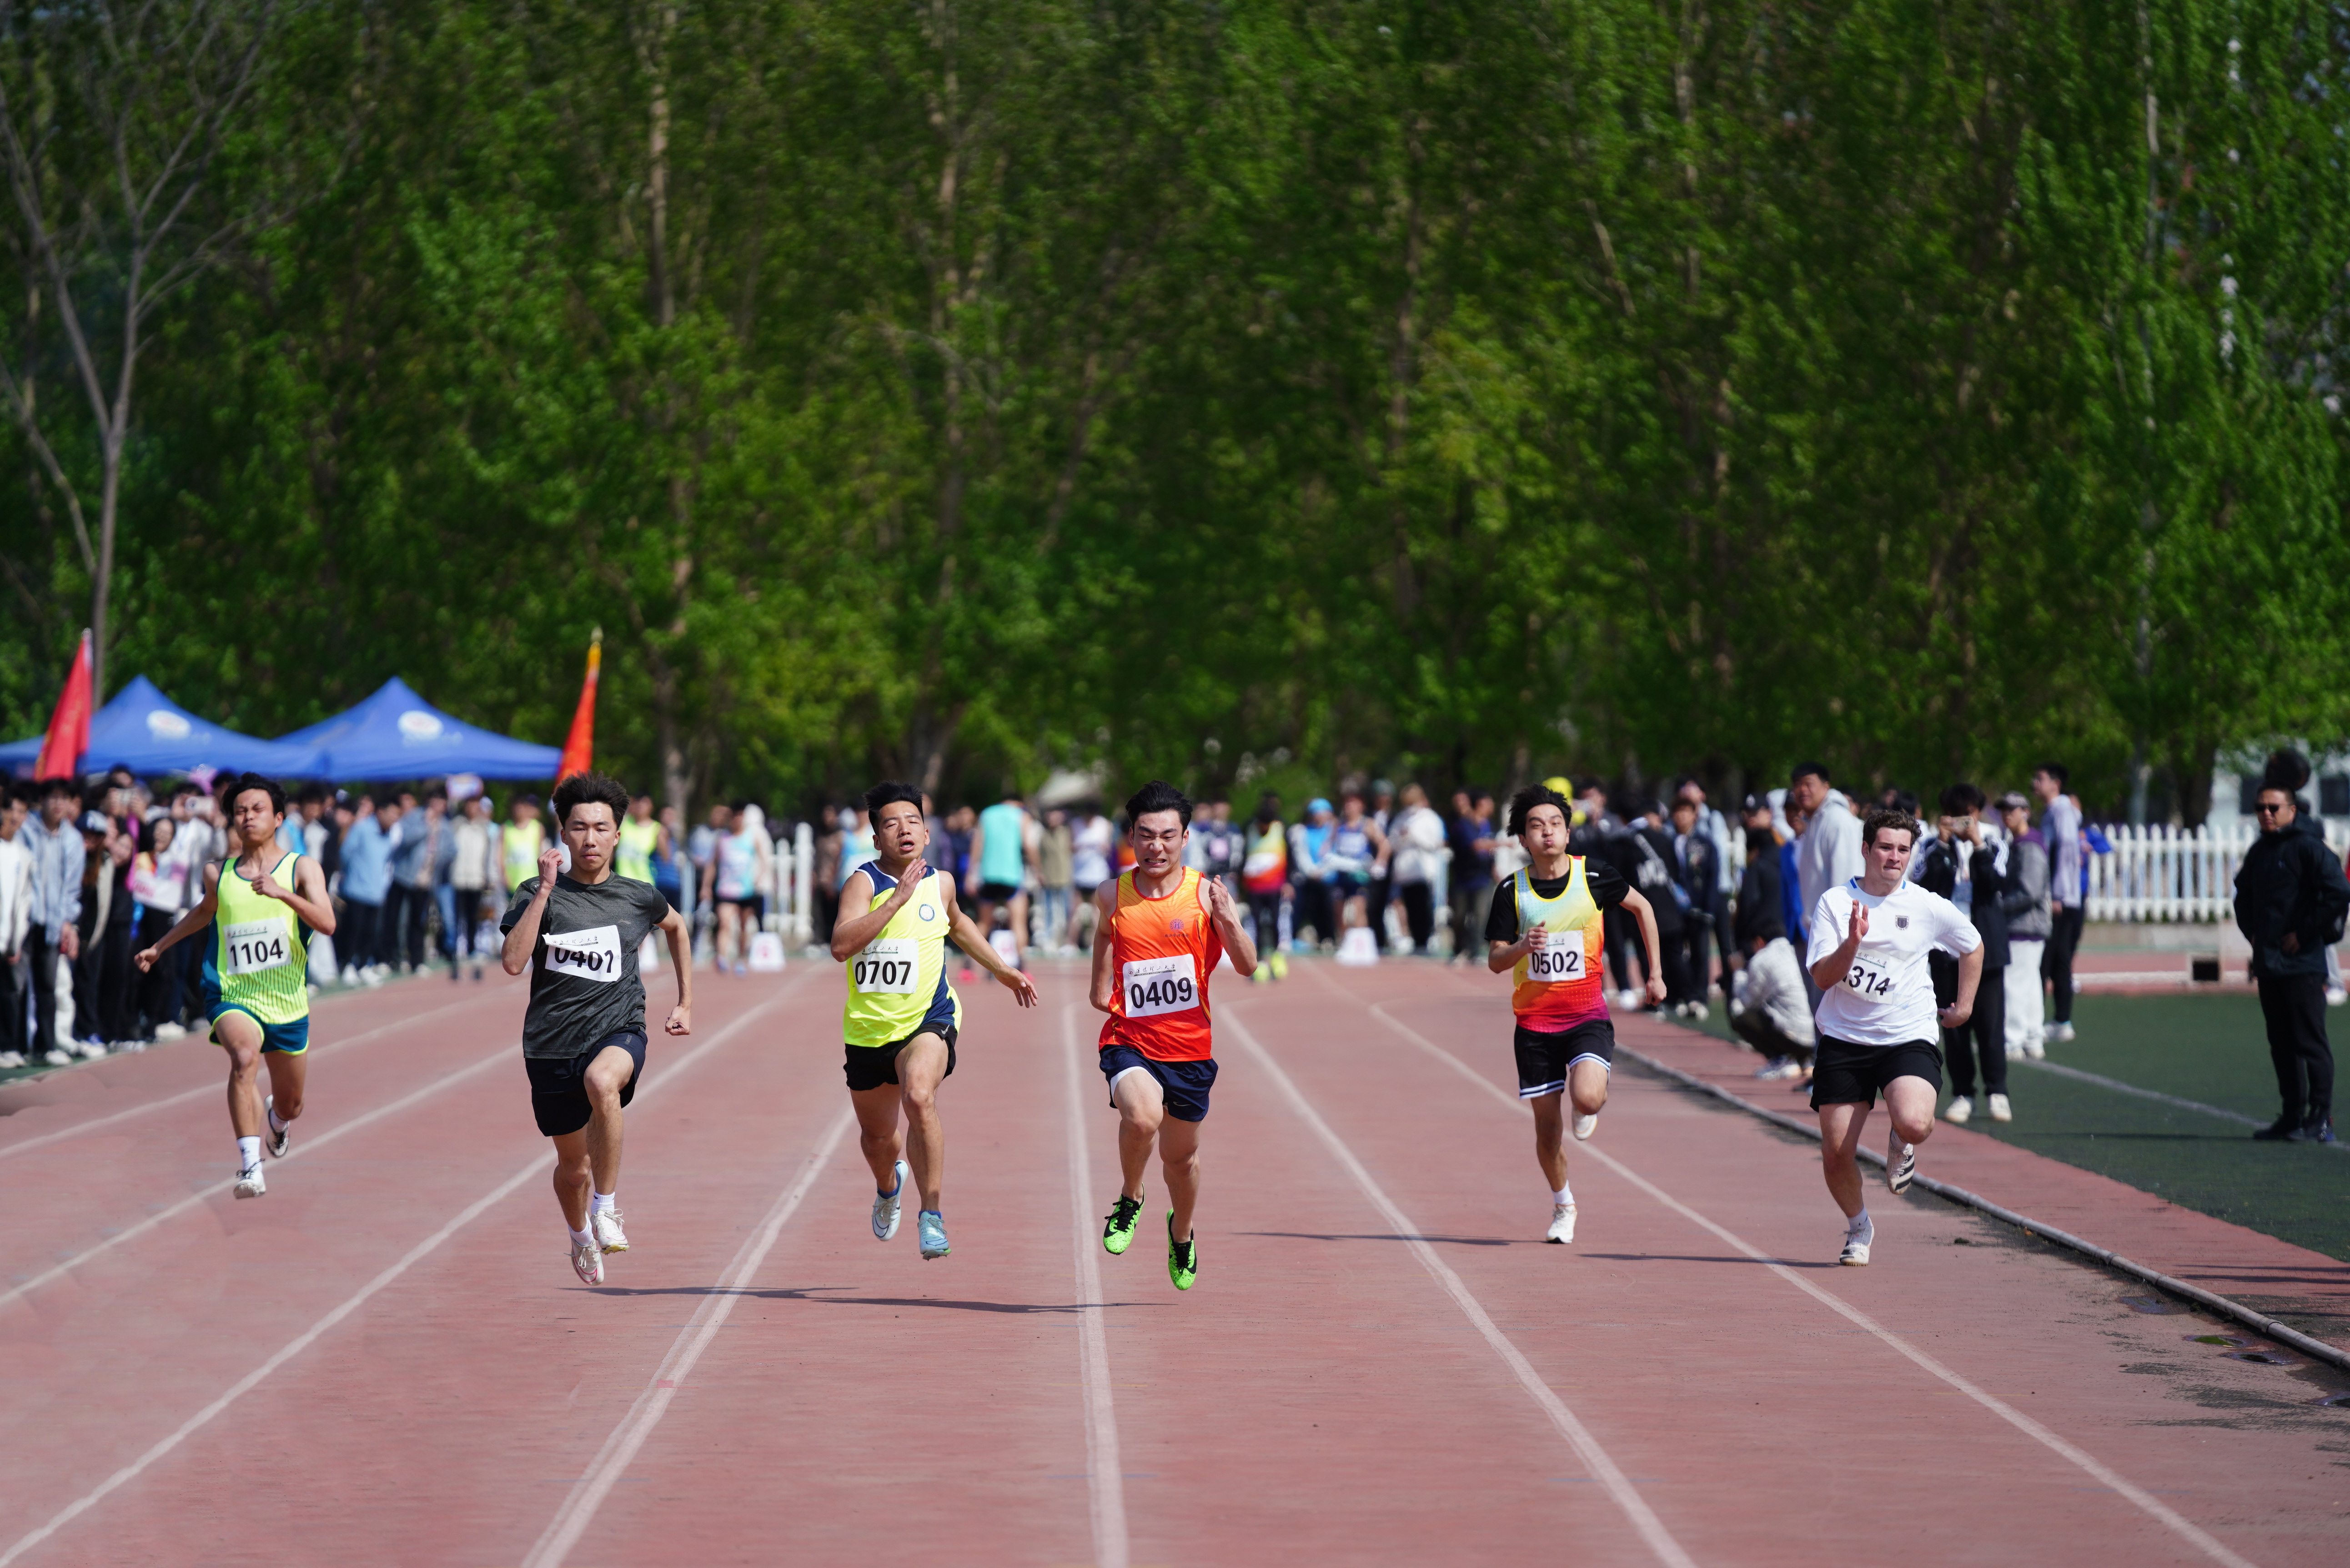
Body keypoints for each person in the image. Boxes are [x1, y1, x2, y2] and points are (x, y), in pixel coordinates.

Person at [832, 781, 1040, 1261]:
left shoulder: (941, 882)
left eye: (911, 822)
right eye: (890, 824)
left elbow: (959, 923)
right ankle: (889, 1186)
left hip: (928, 1018)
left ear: (926, 833)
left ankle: (931, 1214)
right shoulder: (863, 884)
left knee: (919, 1094)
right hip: (868, 1032)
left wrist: (1003, 970)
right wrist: (894, 902)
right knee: (878, 1140)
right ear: (877, 839)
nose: (903, 830)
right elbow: (841, 944)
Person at [500, 771, 693, 1285]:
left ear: (617, 835)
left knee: (603, 1081)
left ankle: (607, 1208)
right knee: (573, 1169)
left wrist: (685, 1002)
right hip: (550, 1043)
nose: (590, 838)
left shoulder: (637, 896)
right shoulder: (534, 894)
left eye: (601, 828)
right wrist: (543, 891)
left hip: (618, 1028)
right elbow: (513, 962)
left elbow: (676, 926)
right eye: (579, 827)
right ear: (562, 833)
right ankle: (581, 1231)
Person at [134, 774, 337, 1199]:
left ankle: (277, 1124)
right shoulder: (219, 873)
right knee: (244, 1059)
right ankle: (250, 1168)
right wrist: (159, 947)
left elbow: (328, 923)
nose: (247, 817)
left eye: (257, 809)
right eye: (240, 811)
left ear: (279, 818)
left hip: (286, 1001)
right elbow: (204, 913)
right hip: (232, 995)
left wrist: (284, 895)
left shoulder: (301, 868)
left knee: (291, 1105)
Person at [1090, 779, 1255, 1289]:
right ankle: (1130, 1196)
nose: (1154, 846)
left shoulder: (1206, 893)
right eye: (1144, 835)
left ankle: (1180, 1233)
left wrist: (1228, 919)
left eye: (1166, 835)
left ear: (1184, 837)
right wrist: (1101, 985)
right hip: (1129, 1040)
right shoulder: (1111, 893)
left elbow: (1248, 966)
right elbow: (1103, 932)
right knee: (1141, 1117)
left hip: (1188, 1050)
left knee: (1180, 1160)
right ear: (1131, 838)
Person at [1484, 783, 1666, 1244]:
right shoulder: (1512, 891)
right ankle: (1563, 1202)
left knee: (1585, 1100)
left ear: (1567, 833)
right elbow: (1494, 959)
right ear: (1523, 839)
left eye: (1555, 824)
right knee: (1548, 1131)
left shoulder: (1595, 877)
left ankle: (1589, 1101)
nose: (1546, 832)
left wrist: (1655, 974)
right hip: (1533, 1026)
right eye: (1535, 826)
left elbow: (1642, 908)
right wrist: (1524, 946)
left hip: (1585, 1015)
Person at [1806, 804, 1983, 1266]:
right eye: (1884, 847)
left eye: (1902, 849)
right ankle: (1858, 1226)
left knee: (1915, 1122)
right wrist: (1851, 943)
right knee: (1834, 1153)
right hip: (1844, 1037)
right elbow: (1823, 979)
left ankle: (1899, 1142)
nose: (1893, 856)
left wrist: (1963, 1006)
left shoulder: (1924, 905)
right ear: (1865, 849)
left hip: (1907, 1033)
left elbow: (1972, 945)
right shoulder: (1834, 903)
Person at [2234, 762, 2350, 1143]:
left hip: (2303, 963)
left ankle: (2321, 1118)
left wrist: (2306, 932)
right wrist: (2254, 936)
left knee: (2309, 1040)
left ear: (2292, 810)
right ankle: (2291, 1115)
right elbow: (2244, 897)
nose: (2266, 814)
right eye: (2261, 808)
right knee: (2281, 1042)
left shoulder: (2307, 847)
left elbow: (2339, 892)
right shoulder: (2260, 852)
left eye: (2274, 808)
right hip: (2270, 963)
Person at [1917, 785, 2013, 1125]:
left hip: (1986, 949)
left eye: (1968, 813)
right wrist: (1943, 844)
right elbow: (1924, 885)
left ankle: (1997, 1091)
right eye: (1956, 814)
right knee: (1953, 1025)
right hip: (1945, 951)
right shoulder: (1931, 844)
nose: (1962, 821)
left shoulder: (1995, 841)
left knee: (1991, 1025)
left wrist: (1978, 844)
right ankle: (1963, 1093)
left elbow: (1996, 882)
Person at [18, 779, 84, 1065]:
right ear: (41, 801)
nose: (58, 804)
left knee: (47, 986)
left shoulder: (73, 839)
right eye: (52, 797)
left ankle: (46, 1045)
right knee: (16, 986)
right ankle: (15, 1045)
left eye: (64, 798)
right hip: (23, 920)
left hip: (54, 922)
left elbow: (72, 887)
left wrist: (68, 922)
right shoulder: (25, 831)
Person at [2033, 764, 2084, 1044]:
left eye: (2040, 778)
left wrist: (2058, 895)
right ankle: (2059, 1020)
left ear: (2056, 784)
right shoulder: (2053, 812)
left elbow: (2064, 850)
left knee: (2053, 959)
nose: (2035, 783)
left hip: (2060, 900)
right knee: (2057, 960)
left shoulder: (2061, 810)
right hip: (2061, 898)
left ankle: (2053, 1020)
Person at [1730, 920, 1816, 1084]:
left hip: (1794, 1036)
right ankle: (1805, 1060)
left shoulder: (1761, 959)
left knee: (1741, 1018)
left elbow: (1747, 1002)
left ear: (1760, 941)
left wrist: (1738, 972)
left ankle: (1781, 1059)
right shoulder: (1794, 950)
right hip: (1817, 1035)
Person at [1668, 794, 1723, 1015]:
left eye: (1686, 811)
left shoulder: (1705, 843)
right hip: (1674, 910)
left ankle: (1700, 997)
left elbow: (1713, 876)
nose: (1682, 816)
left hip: (1699, 908)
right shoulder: (1668, 842)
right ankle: (1681, 995)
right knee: (1675, 953)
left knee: (1701, 952)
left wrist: (1709, 908)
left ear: (1695, 815)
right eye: (1678, 811)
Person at [338, 795, 400, 980]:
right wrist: (351, 875)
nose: (395, 819)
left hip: (376, 892)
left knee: (371, 932)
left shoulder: (388, 834)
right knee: (353, 930)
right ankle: (347, 965)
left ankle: (363, 965)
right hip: (356, 890)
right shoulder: (362, 828)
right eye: (393, 814)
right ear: (381, 812)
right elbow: (345, 854)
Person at [967, 791, 1033, 957]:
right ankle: (1021, 966)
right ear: (1017, 802)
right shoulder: (1021, 815)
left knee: (983, 923)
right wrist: (1038, 869)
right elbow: (1029, 844)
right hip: (1012, 875)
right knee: (1018, 922)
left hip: (988, 874)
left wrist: (971, 874)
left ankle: (968, 966)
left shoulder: (986, 815)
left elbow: (977, 845)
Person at [1386, 784, 1445, 955]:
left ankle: (1425, 940)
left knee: (1423, 907)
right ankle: (1416, 940)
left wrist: (1414, 836)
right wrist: (1403, 838)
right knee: (1410, 907)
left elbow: (1434, 844)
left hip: (1423, 871)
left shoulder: (1430, 818)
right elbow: (1393, 842)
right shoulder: (1401, 818)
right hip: (1405, 872)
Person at [1239, 793, 1291, 980]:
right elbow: (1243, 858)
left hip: (1275, 886)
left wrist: (1289, 883)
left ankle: (1276, 955)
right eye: (1262, 824)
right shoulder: (1250, 830)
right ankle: (1261, 958)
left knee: (1276, 921)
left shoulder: (1281, 829)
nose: (1264, 828)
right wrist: (1241, 885)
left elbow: (1289, 857)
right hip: (1254, 887)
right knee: (1257, 923)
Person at [1325, 789, 1387, 936]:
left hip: (1360, 874)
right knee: (1339, 910)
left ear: (1361, 806)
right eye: (1347, 803)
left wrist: (1379, 862)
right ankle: (1344, 941)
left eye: (1353, 803)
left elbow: (1385, 845)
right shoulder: (1338, 825)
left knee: (1358, 909)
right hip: (1342, 873)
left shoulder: (1367, 824)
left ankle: (1361, 942)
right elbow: (1327, 846)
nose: (1349, 807)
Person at [1446, 789, 1497, 962]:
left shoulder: (1489, 824)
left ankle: (1475, 951)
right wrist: (1504, 843)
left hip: (1483, 878)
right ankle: (1459, 949)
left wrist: (1495, 872)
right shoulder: (1463, 824)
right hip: (1463, 878)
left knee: (1480, 915)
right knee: (1460, 916)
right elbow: (1476, 846)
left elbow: (1490, 854)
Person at [0, 786, 30, 1068]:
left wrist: (17, 939)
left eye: (22, 811)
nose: (15, 817)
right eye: (11, 810)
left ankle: (8, 1046)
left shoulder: (23, 854)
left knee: (10, 993)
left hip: (8, 937)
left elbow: (23, 900)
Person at [711, 804, 760, 975]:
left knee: (743, 927)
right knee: (724, 923)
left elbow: (763, 860)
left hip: (746, 890)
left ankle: (740, 959)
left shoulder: (751, 838)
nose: (738, 820)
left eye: (741, 816)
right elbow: (713, 864)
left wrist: (760, 879)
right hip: (726, 890)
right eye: (735, 816)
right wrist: (706, 887)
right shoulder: (723, 839)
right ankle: (722, 957)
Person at [1036, 806, 1075, 958]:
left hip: (1065, 878)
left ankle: (1065, 941)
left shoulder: (1067, 833)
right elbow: (1039, 856)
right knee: (1049, 911)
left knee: (1067, 910)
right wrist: (1040, 873)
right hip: (1049, 878)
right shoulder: (1044, 835)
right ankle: (1049, 941)